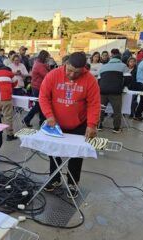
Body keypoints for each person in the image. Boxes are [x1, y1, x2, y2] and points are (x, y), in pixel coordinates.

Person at [39, 52, 100, 194]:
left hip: (79, 124)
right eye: (70, 70)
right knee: (54, 152)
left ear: (84, 69)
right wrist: (49, 116)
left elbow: (94, 104)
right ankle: (55, 178)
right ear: (66, 64)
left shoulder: (90, 80)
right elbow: (43, 97)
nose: (72, 75)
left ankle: (73, 182)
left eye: (77, 73)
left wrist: (92, 124)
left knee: (76, 154)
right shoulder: (53, 75)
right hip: (56, 124)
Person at [98, 49, 128, 133]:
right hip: (115, 92)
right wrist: (121, 86)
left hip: (103, 91)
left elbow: (99, 80)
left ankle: (98, 125)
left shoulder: (104, 66)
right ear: (120, 58)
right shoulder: (123, 66)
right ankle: (116, 128)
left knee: (101, 109)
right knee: (117, 111)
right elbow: (128, 78)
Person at [23, 50, 50, 127]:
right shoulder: (40, 65)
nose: (48, 58)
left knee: (40, 105)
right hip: (38, 87)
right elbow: (47, 76)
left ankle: (41, 122)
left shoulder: (39, 63)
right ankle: (27, 119)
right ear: (44, 57)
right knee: (39, 105)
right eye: (47, 57)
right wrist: (48, 67)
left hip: (37, 87)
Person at [0, 63, 17, 141]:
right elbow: (15, 82)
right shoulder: (9, 72)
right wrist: (9, 86)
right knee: (7, 116)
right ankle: (9, 135)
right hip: (6, 98)